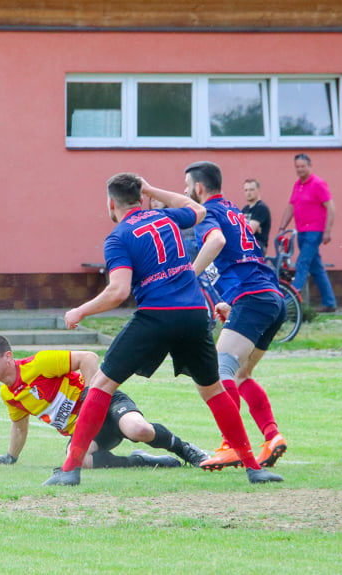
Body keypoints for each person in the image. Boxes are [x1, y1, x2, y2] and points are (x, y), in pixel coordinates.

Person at [42, 172, 282, 486]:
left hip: (157, 316)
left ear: (110, 203)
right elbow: (196, 209)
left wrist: (80, 311)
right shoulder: (165, 217)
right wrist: (153, 189)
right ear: (141, 198)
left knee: (100, 385)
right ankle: (253, 467)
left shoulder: (118, 237)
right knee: (213, 391)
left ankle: (71, 470)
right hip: (195, 314)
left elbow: (118, 291)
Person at [185, 161, 288, 472]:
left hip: (253, 299)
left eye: (186, 186)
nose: (184, 192)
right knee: (241, 375)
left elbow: (216, 243)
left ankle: (231, 445)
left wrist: (188, 276)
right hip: (272, 298)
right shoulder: (231, 210)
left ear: (198, 188)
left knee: (219, 370)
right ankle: (272, 436)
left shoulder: (207, 214)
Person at [0, 334, 209, 469]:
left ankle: (188, 451)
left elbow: (88, 358)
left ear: (7, 357)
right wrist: (11, 457)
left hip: (106, 405)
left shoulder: (38, 364)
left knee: (138, 429)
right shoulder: (9, 395)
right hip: (88, 431)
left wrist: (90, 397)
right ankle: (142, 461)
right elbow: (19, 426)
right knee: (77, 460)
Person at [278, 153, 337, 312]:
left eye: (303, 166)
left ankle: (289, 303)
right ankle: (330, 303)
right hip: (301, 232)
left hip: (315, 232)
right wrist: (282, 227)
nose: (300, 169)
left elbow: (330, 207)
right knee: (316, 268)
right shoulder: (298, 185)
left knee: (301, 263)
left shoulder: (318, 184)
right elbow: (291, 207)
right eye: (297, 167)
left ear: (310, 166)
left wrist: (327, 231)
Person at [241, 178, 272, 254]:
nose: (248, 193)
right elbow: (239, 229)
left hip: (257, 246)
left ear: (258, 190)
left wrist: (245, 226)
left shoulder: (261, 208)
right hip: (245, 245)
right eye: (246, 190)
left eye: (251, 190)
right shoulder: (245, 209)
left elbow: (249, 231)